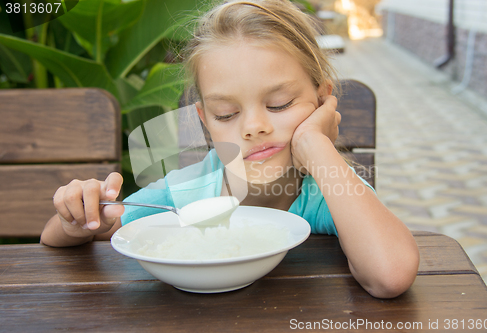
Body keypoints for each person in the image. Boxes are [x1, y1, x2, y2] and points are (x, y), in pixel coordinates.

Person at [41, 0, 419, 298]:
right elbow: (62, 237)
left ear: (321, 100)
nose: (254, 127)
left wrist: (317, 147)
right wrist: (77, 219)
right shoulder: (184, 195)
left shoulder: (328, 191)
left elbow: (390, 274)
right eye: (227, 113)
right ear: (206, 120)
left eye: (279, 104)